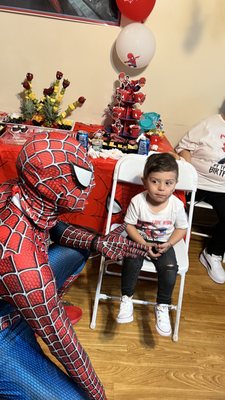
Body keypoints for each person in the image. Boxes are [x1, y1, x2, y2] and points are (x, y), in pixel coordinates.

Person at [0, 131, 150, 400]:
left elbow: (58, 228)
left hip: (20, 296)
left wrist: (99, 242)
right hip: (4, 326)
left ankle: (40, 312)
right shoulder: (22, 263)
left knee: (79, 246)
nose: (91, 185)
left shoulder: (18, 190)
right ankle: (39, 316)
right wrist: (99, 395)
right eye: (82, 177)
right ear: (49, 182)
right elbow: (64, 345)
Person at [116, 153, 188, 337]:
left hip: (164, 242)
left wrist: (170, 243)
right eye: (155, 181)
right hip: (139, 239)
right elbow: (129, 225)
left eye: (168, 183)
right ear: (145, 181)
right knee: (132, 259)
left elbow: (181, 228)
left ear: (175, 183)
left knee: (170, 268)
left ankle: (163, 305)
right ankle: (126, 298)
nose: (161, 188)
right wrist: (143, 244)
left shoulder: (176, 205)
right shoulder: (138, 201)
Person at [174, 113, 225, 284]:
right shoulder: (210, 124)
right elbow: (183, 148)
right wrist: (188, 173)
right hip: (198, 182)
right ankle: (168, 249)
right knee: (175, 209)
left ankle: (212, 253)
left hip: (222, 189)